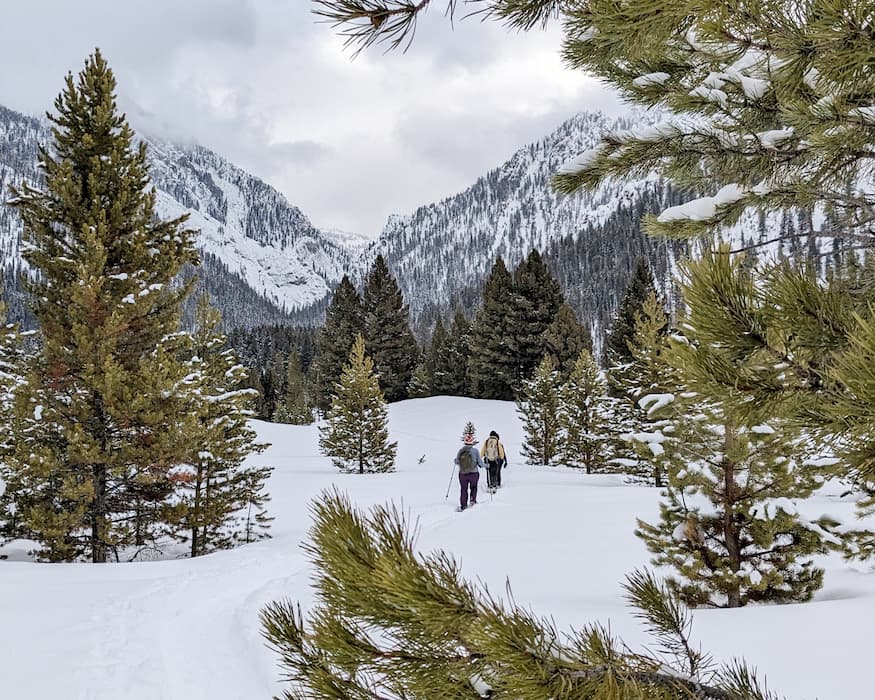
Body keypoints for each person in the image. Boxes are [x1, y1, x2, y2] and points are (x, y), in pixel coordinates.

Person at [454, 433, 485, 511]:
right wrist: (486, 466)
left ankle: (463, 505)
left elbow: (457, 462)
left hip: (462, 474)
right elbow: (480, 463)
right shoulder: (475, 451)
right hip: (474, 473)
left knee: (463, 489)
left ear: (465, 442)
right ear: (472, 442)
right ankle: (472, 501)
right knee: (473, 487)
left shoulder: (461, 451)